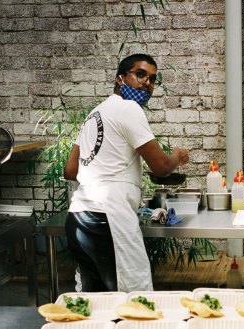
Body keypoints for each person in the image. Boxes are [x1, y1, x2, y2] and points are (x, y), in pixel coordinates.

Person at [63, 54, 189, 292]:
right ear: (120, 78)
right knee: (132, 300)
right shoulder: (128, 109)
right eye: (140, 75)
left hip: (79, 217)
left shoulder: (95, 114)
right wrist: (177, 157)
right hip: (107, 221)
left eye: (152, 79)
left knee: (96, 302)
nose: (147, 83)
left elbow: (70, 170)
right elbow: (161, 167)